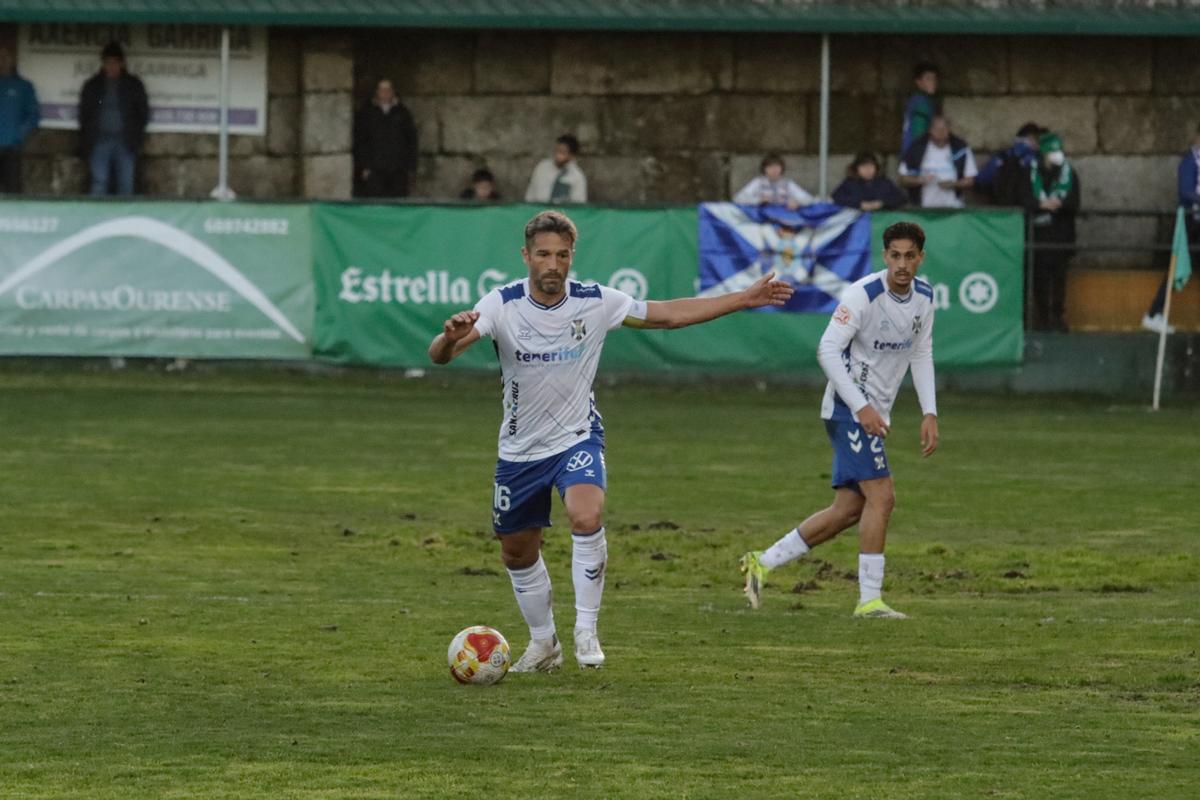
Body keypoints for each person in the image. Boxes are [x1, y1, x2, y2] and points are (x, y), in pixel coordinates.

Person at [428, 210, 793, 671]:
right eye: (543, 254)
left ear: (571, 256)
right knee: (516, 551)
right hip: (520, 451)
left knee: (587, 514)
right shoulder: (501, 304)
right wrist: (449, 338)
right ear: (526, 256)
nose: (553, 265)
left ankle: (587, 629)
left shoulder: (596, 301)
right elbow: (442, 354)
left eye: (562, 255)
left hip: (577, 438)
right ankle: (544, 645)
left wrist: (744, 298)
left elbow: (667, 316)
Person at [740, 220, 939, 619]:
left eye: (909, 256)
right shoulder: (862, 295)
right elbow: (827, 351)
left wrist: (929, 411)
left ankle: (762, 561)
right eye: (895, 256)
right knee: (882, 497)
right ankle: (869, 601)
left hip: (873, 414)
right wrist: (861, 407)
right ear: (885, 256)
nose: (902, 264)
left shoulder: (924, 296)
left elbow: (921, 351)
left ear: (920, 257)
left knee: (848, 509)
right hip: (848, 410)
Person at [1143, 126, 1200, 334]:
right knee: (1178, 269)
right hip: (1191, 225)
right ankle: (1154, 313)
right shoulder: (1189, 162)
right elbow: (1186, 191)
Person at [1023, 131, 1080, 332]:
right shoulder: (1029, 173)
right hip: (1038, 235)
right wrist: (1041, 205)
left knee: (1059, 278)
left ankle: (1057, 317)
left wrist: (1059, 204)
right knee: (1039, 277)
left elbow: (1075, 202)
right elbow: (1023, 199)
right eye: (1052, 152)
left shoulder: (1069, 174)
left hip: (1061, 235)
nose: (1057, 155)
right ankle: (1042, 317)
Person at [78, 41, 149, 197]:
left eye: (115, 62)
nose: (111, 66)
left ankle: (125, 214)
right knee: (99, 183)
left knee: (126, 184)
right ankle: (96, 213)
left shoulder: (133, 85)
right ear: (102, 64)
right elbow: (84, 114)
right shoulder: (92, 85)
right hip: (99, 141)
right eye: (107, 62)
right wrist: (88, 139)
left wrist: (136, 138)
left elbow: (143, 114)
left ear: (122, 64)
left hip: (125, 142)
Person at [352, 78, 418, 199]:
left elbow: (411, 141)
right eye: (382, 90)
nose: (385, 93)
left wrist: (411, 168)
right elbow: (361, 142)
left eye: (388, 90)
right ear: (377, 92)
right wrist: (364, 166)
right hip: (375, 169)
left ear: (393, 92)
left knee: (398, 202)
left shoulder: (403, 112)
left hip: (398, 170)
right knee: (375, 203)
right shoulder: (367, 113)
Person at [899, 115, 977, 209]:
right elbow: (903, 179)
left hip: (954, 207)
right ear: (930, 130)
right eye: (936, 129)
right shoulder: (916, 148)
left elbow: (970, 181)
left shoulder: (961, 148)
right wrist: (920, 180)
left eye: (944, 129)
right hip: (922, 207)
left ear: (949, 129)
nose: (940, 133)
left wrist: (952, 184)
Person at [0, 44, 40, 194]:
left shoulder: (23, 86)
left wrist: (18, 134)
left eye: (5, 56)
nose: (2, 60)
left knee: (13, 192)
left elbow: (34, 115)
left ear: (12, 59)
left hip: (12, 148)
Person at [976, 122, 1043, 206]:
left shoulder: (1003, 156)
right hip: (1029, 206)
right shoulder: (1034, 157)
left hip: (1001, 206)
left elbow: (981, 180)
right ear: (1032, 138)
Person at [831, 152, 907, 211]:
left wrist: (882, 203)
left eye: (871, 166)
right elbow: (837, 197)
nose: (868, 170)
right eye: (863, 166)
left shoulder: (884, 182)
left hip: (883, 219)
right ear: (856, 168)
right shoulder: (850, 183)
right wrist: (859, 204)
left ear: (876, 167)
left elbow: (901, 198)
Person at [733, 154, 814, 208]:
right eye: (770, 167)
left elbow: (809, 199)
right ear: (764, 169)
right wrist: (759, 200)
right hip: (762, 218)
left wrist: (797, 202)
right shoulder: (758, 182)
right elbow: (738, 198)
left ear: (782, 168)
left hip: (783, 217)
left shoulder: (788, 183)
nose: (774, 170)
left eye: (777, 166)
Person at [525, 134, 587, 204]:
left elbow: (578, 204)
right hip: (538, 209)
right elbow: (530, 194)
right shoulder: (542, 167)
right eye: (556, 150)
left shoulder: (577, 177)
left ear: (572, 156)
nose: (557, 155)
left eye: (562, 152)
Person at [901, 61, 940, 155]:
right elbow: (918, 131)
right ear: (919, 82)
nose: (933, 82)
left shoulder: (919, 100)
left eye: (934, 79)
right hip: (917, 154)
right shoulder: (920, 103)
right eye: (928, 79)